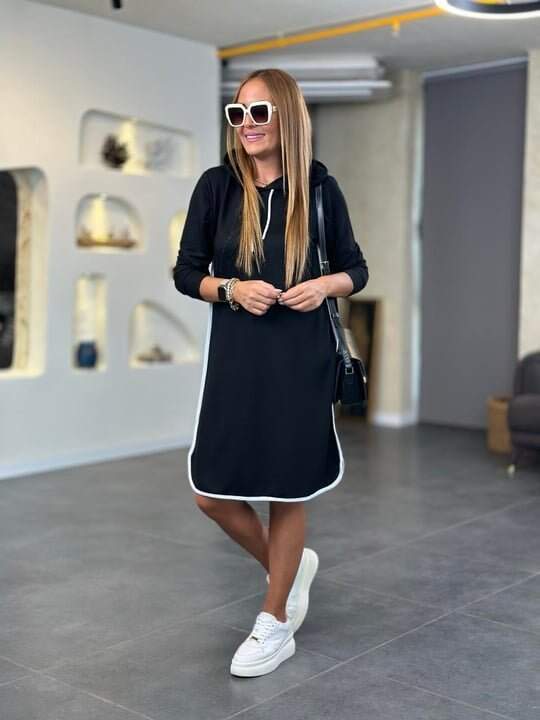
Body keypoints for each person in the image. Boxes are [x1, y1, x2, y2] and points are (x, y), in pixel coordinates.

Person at [173, 68, 369, 677]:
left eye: (259, 112)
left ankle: (275, 619)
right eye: (238, 113)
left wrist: (323, 286)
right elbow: (186, 272)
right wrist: (231, 288)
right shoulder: (216, 187)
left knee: (288, 488)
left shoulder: (321, 189)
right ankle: (290, 566)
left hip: (300, 358)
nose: (247, 124)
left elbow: (356, 269)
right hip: (236, 357)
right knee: (211, 493)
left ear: (287, 117)